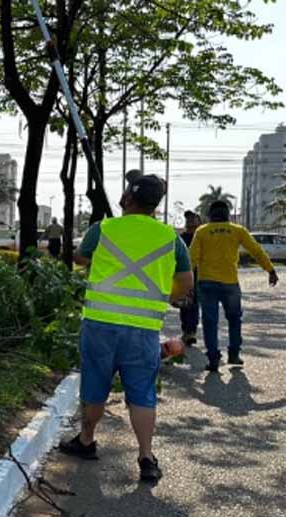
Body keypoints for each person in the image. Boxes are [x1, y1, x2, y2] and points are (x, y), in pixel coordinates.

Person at [60, 172, 194, 482]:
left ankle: (86, 441)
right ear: (156, 205)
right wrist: (161, 298)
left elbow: (80, 258)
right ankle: (146, 458)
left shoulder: (103, 228)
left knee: (94, 386)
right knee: (142, 393)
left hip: (100, 326)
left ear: (127, 198)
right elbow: (186, 281)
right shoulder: (170, 238)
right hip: (143, 329)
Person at [188, 200, 278, 372]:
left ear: (210, 215)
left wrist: (186, 282)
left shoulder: (202, 231)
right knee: (235, 319)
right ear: (227, 214)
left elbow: (192, 258)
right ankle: (234, 354)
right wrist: (270, 270)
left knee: (209, 321)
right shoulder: (237, 230)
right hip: (230, 283)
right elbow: (256, 250)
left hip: (206, 283)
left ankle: (213, 358)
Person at [179, 211, 202, 345]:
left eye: (193, 219)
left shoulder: (201, 237)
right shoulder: (182, 238)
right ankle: (186, 331)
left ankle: (191, 331)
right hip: (184, 276)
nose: (190, 222)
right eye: (188, 219)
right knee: (185, 304)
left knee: (194, 304)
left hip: (200, 275)